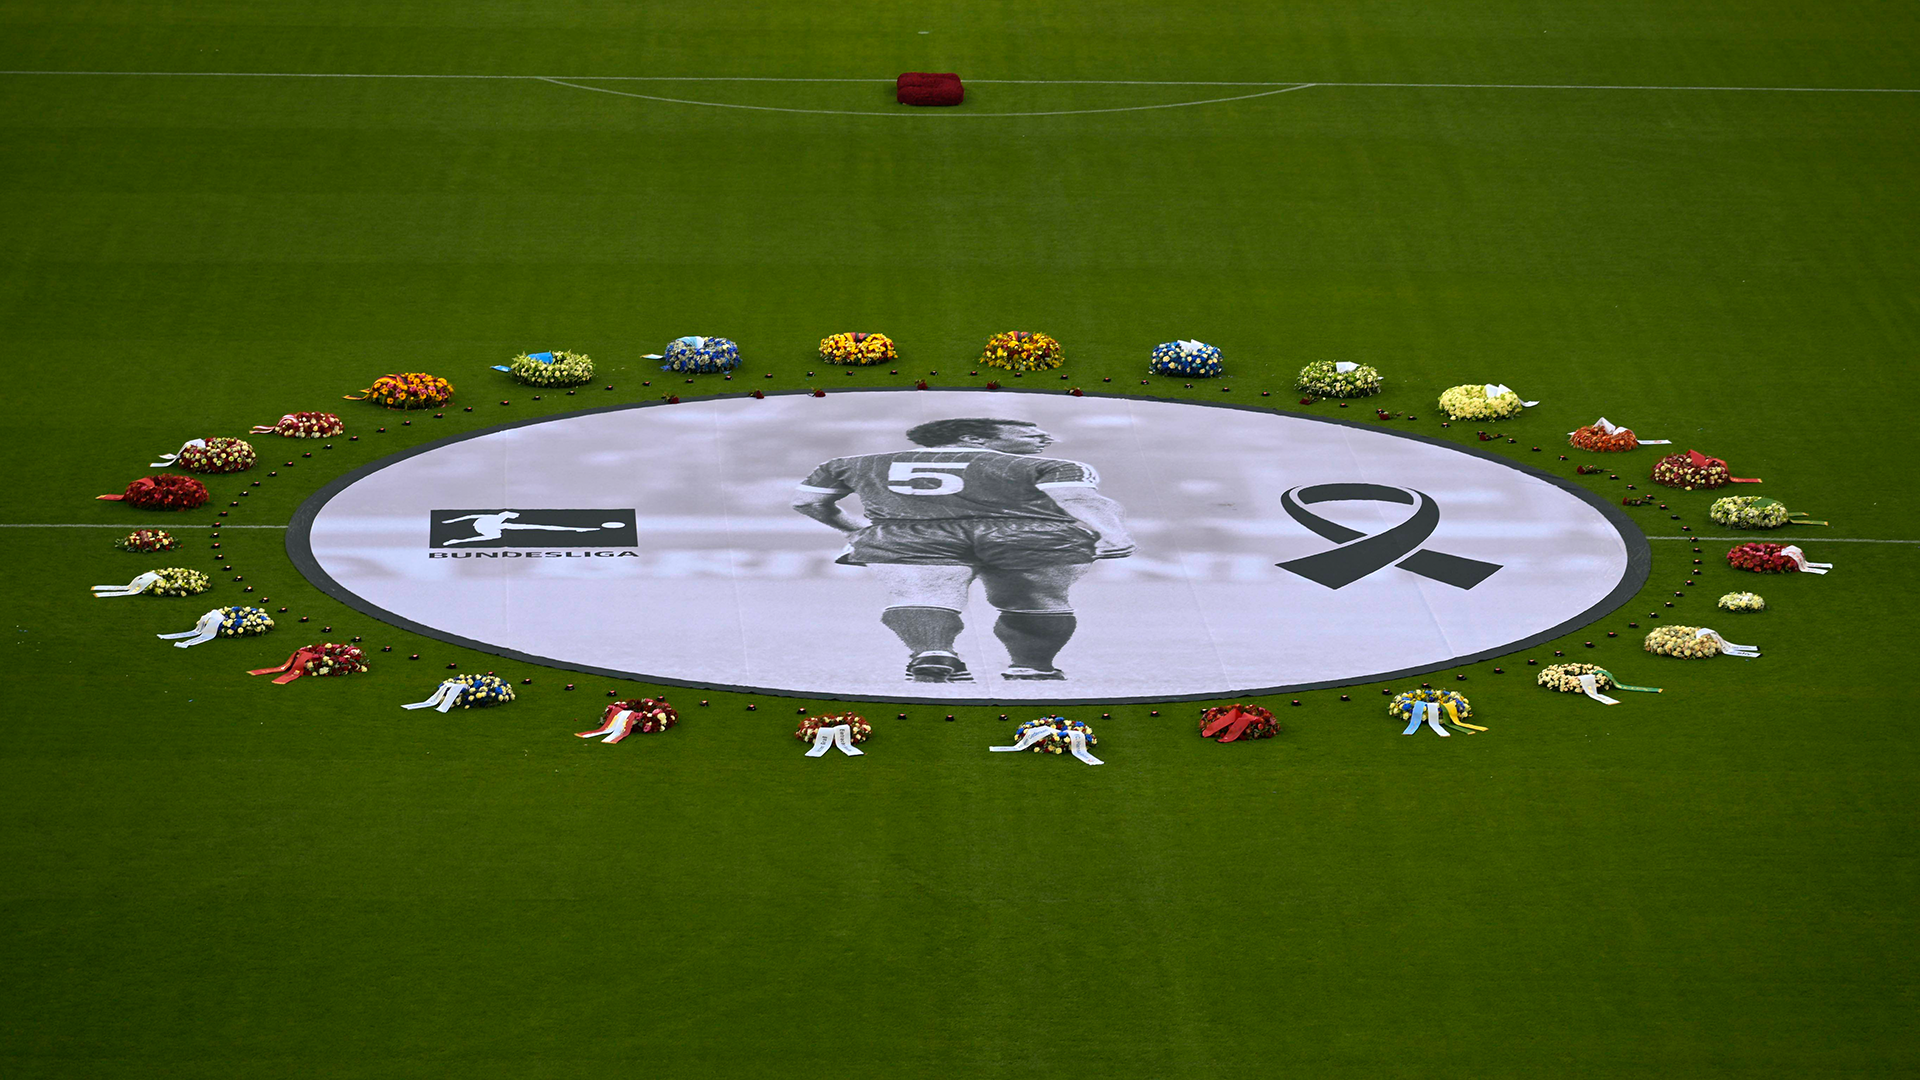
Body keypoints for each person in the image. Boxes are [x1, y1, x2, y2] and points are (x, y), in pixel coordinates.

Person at [791, 417, 1134, 683]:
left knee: (923, 594)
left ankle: (934, 654)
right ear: (973, 438)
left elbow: (807, 502)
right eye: (1029, 433)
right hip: (1028, 534)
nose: (1044, 439)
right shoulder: (1052, 465)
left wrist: (852, 529)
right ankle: (1033, 667)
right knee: (1036, 599)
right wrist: (1113, 533)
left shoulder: (852, 463)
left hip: (912, 533)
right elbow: (1077, 497)